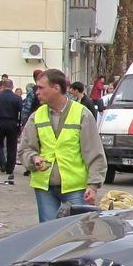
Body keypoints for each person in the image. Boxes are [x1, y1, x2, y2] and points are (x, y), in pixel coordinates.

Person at [19, 69, 107, 222]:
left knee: (78, 231)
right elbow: (25, 148)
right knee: (49, 233)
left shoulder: (82, 114)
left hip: (76, 188)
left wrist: (93, 185)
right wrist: (34, 159)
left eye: (41, 87)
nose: (37, 92)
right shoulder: (37, 116)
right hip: (45, 186)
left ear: (56, 88)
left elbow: (94, 152)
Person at [0, 78, 24, 183]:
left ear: (3, 86)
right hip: (13, 123)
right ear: (12, 87)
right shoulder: (17, 98)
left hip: (0, 123)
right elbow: (21, 112)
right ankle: (10, 168)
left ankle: (2, 162)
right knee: (12, 146)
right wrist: (20, 125)